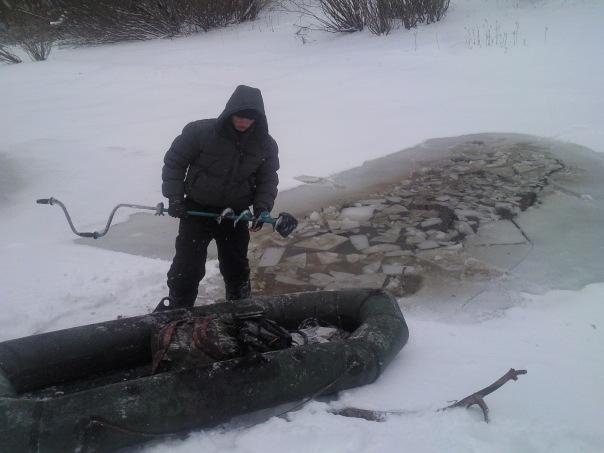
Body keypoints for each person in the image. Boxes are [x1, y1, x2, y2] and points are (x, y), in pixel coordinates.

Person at [160, 85, 279, 309]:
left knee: (236, 268)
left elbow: (268, 179)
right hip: (197, 210)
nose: (243, 122)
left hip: (234, 216)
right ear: (230, 112)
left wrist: (262, 208)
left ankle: (239, 310)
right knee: (187, 268)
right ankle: (178, 310)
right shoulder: (200, 132)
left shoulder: (265, 144)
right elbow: (174, 163)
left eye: (249, 118)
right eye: (239, 116)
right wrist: (175, 198)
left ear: (258, 119)